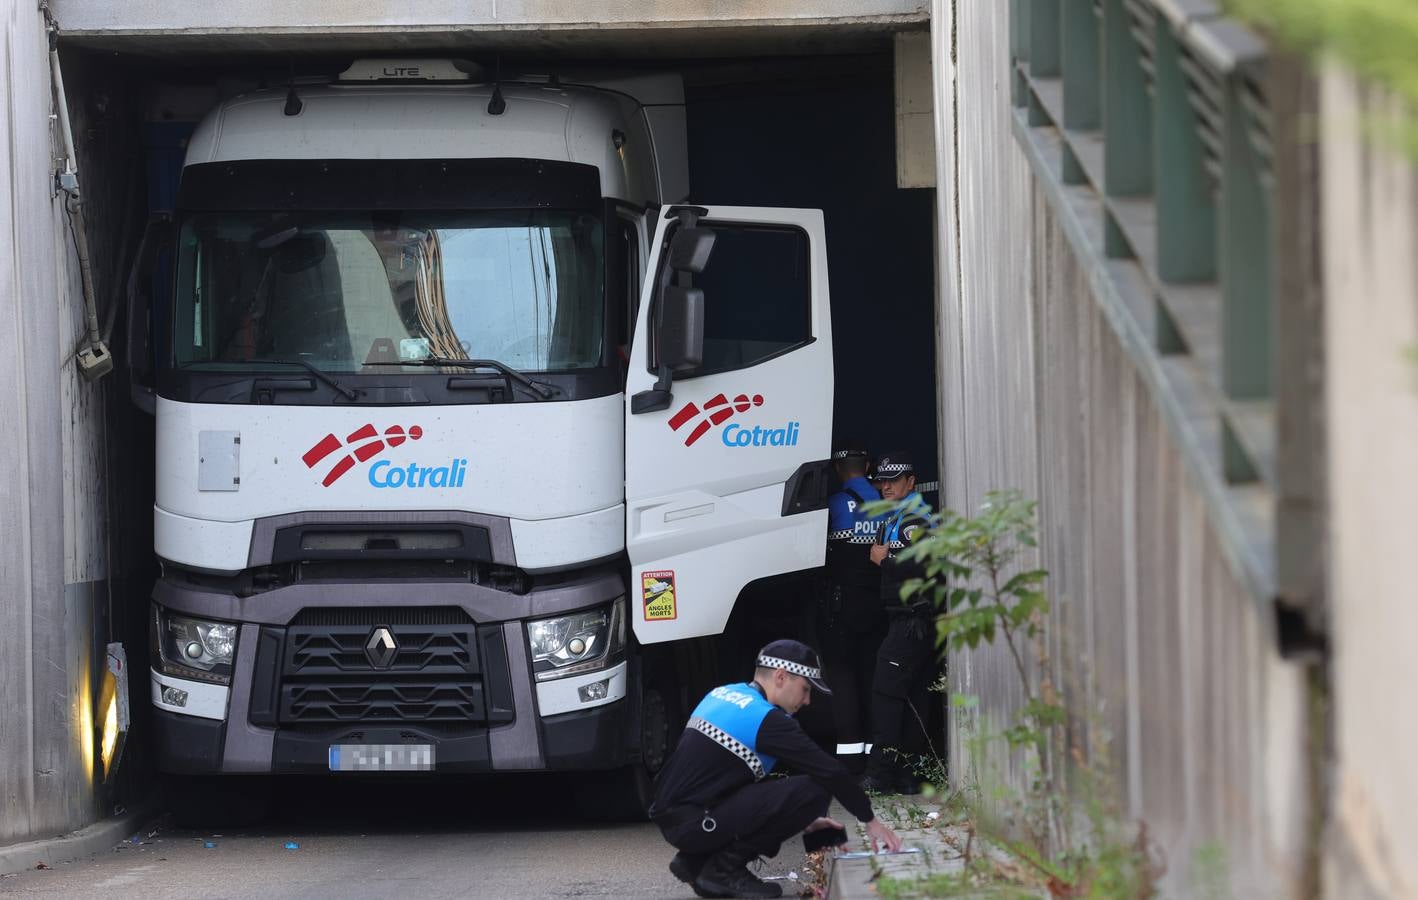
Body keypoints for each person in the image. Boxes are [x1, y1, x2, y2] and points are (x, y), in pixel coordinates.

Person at [650, 639, 902, 898]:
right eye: (805, 689)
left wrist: (808, 821)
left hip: (680, 818)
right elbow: (830, 772)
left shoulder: (723, 694)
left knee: (804, 792)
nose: (807, 701)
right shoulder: (766, 719)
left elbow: (725, 780)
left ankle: (696, 862)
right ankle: (723, 869)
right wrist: (870, 821)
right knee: (815, 789)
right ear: (781, 677)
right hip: (698, 822)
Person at [864, 452, 937, 794]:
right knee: (911, 697)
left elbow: (924, 566)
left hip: (913, 622)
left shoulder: (915, 520)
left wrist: (885, 560)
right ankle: (908, 775)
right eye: (882, 480)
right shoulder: (896, 517)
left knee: (886, 695)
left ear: (911, 482)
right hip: (906, 620)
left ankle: (881, 775)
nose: (886, 485)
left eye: (894, 479)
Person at [819, 445, 887, 769]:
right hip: (878, 605)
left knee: (843, 680)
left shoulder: (831, 506)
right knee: (874, 677)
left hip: (841, 608)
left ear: (837, 470)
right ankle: (879, 760)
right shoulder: (886, 504)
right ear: (869, 466)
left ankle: (849, 763)